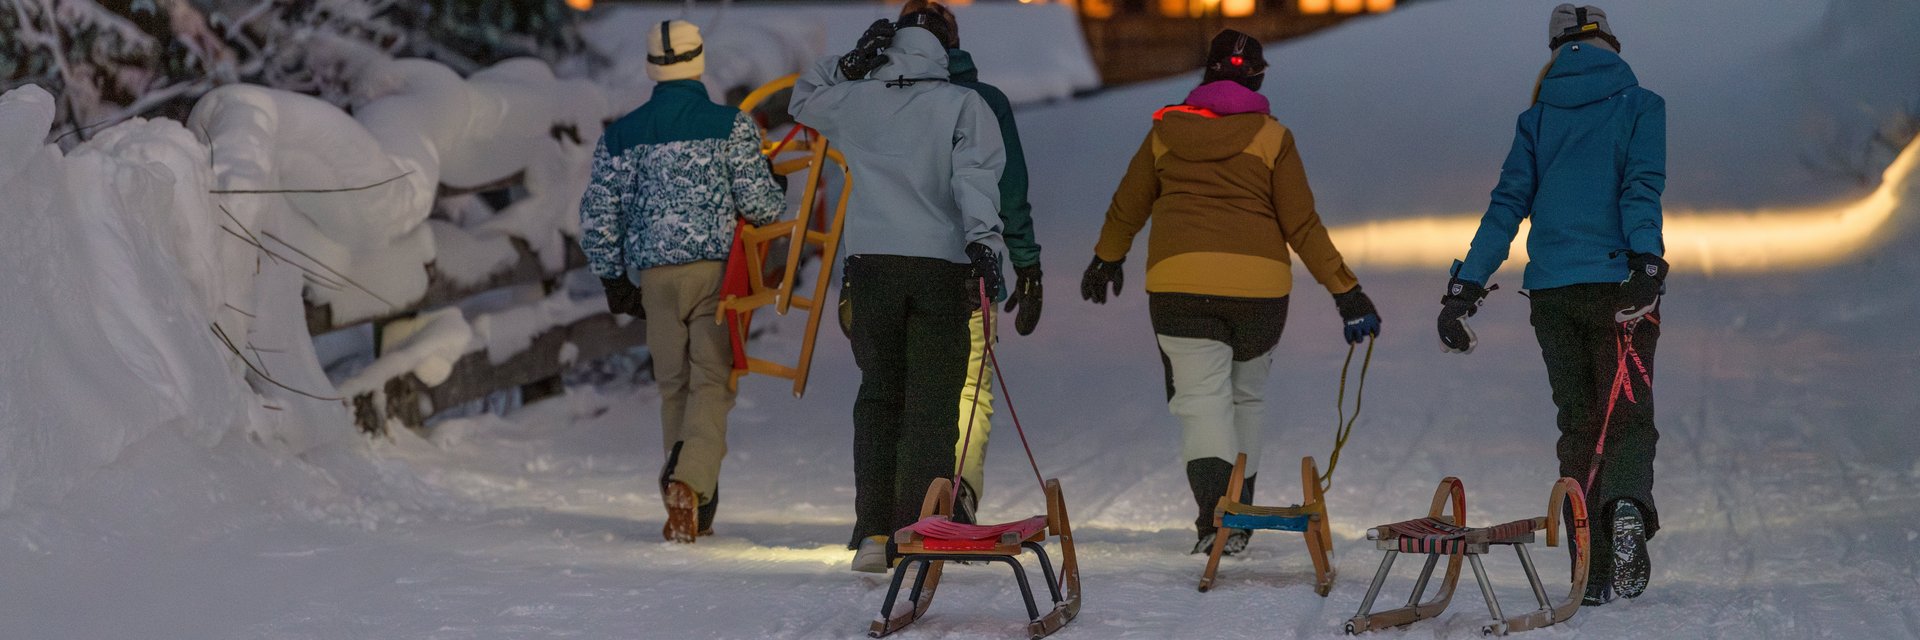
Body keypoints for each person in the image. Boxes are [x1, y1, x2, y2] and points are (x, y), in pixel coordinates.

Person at [1083, 30, 1380, 556]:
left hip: (1179, 286)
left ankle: (1215, 521)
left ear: (1208, 74)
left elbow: (1127, 204)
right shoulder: (1272, 137)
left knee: (1201, 402)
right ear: (1258, 76)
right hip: (1258, 293)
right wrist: (1345, 290)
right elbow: (1302, 224)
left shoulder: (1164, 133)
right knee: (1245, 397)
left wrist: (1108, 256)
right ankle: (1236, 516)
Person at [1435, 4, 1665, 605]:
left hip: (1555, 295)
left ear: (1555, 50)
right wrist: (1646, 262)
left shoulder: (1536, 120)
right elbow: (1641, 186)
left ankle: (1587, 563)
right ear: (1611, 41)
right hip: (1621, 289)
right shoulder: (1641, 105)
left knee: (1578, 422)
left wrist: (1465, 286)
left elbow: (1507, 204)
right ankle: (1624, 511)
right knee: (1626, 415)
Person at [789, 16, 1008, 572]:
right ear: (941, 58)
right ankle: (916, 530)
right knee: (933, 403)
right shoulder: (963, 105)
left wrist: (849, 62)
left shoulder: (856, 102)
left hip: (872, 269)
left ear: (888, 55)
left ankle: (872, 530)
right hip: (940, 267)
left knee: (880, 395)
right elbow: (975, 178)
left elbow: (802, 99)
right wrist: (985, 245)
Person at [577, 19, 786, 544]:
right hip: (715, 274)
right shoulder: (730, 125)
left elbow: (598, 216)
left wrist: (612, 276)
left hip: (655, 279)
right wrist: (775, 185)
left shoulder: (622, 134)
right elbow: (760, 207)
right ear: (699, 61)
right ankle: (690, 483)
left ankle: (691, 504)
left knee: (674, 386)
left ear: (652, 68)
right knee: (712, 382)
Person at [892, 1, 1045, 524]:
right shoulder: (985, 102)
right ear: (952, 42)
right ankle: (958, 494)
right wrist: (1027, 265)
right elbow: (1010, 188)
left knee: (900, 382)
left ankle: (897, 500)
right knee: (968, 386)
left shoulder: (879, 98)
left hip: (890, 267)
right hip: (967, 269)